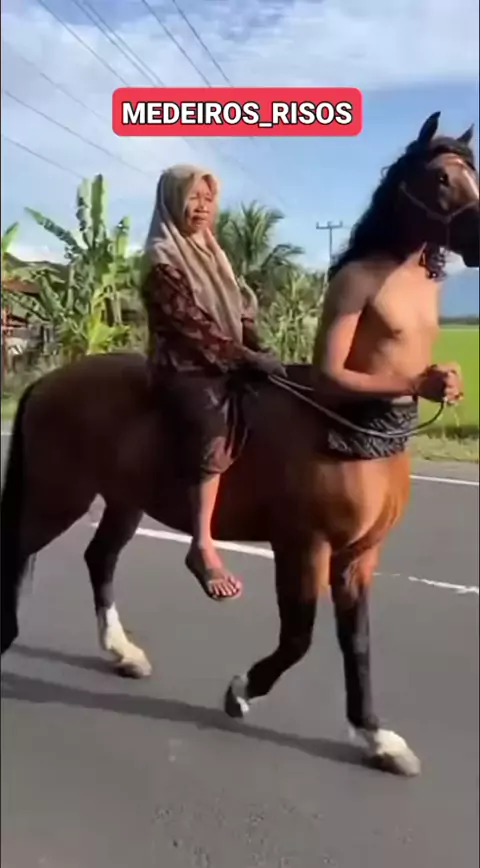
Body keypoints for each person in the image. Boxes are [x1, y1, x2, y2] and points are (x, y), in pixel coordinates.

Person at [141, 164, 285, 601]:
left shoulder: (212, 251)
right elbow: (190, 326)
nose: (202, 207)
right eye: (193, 198)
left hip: (226, 358)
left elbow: (239, 311)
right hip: (184, 366)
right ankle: (201, 544)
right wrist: (247, 358)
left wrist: (260, 348)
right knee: (213, 426)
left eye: (208, 199)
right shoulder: (162, 257)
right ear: (172, 202)